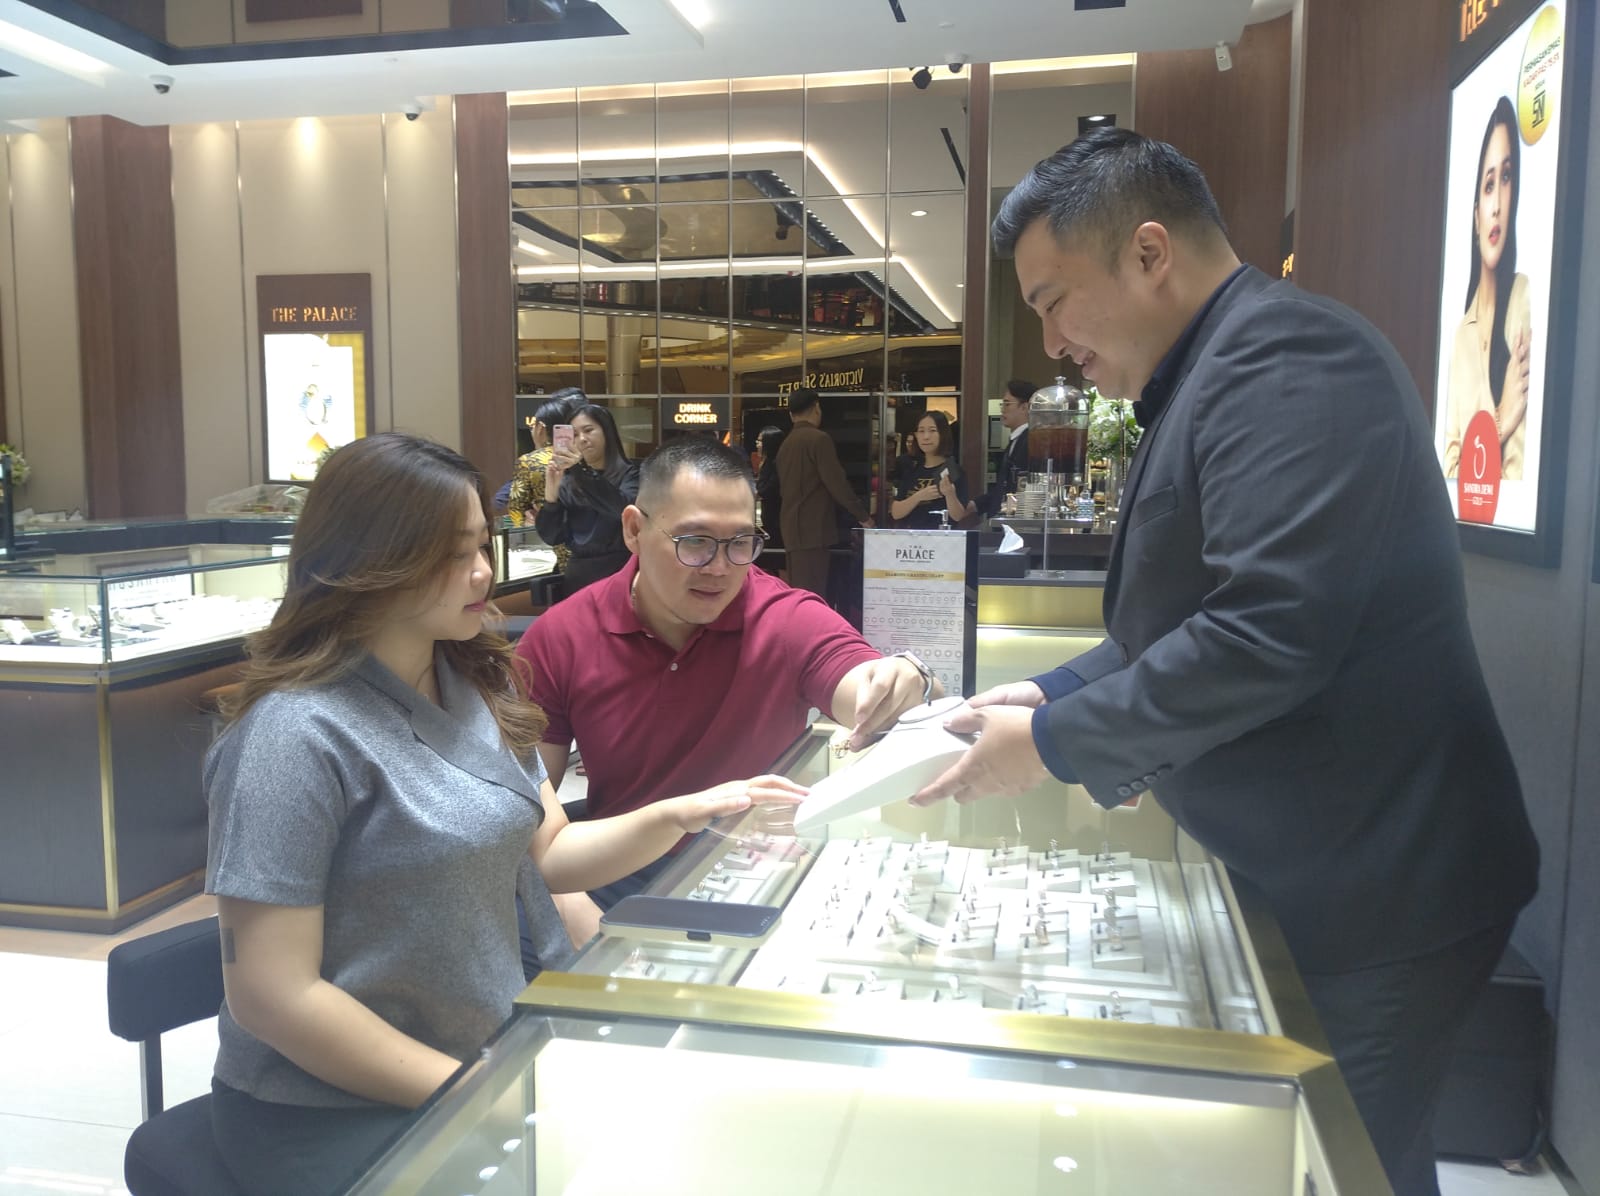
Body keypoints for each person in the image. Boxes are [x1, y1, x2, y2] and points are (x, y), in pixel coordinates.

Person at [912, 128, 1538, 1196]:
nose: (1051, 342)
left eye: (1056, 301)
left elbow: (1267, 630)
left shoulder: (1284, 359)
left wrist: (1052, 743)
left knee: (1345, 1165)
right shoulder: (1205, 369)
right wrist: (1048, 691)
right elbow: (1168, 624)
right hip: (1334, 865)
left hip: (1386, 885)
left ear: (1149, 252)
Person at [203, 432, 767, 1195]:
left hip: (480, 1056)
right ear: (369, 561)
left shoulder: (470, 681)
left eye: (481, 545)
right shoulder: (294, 734)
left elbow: (551, 852)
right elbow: (274, 997)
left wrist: (682, 814)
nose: (480, 573)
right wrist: (484, 1092)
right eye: (450, 554)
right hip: (326, 1106)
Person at [515, 436, 937, 948]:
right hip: (617, 867)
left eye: (740, 542)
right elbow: (523, 813)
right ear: (634, 530)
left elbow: (863, 682)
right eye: (695, 541)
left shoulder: (783, 616)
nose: (719, 567)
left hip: (753, 866)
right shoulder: (560, 636)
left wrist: (905, 680)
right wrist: (568, 899)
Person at [1443, 96, 1532, 481]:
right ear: (1476, 216)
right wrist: (1498, 424)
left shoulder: (1524, 300)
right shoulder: (1461, 336)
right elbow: (1448, 474)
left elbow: (1517, 474)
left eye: (1506, 178)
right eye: (1489, 184)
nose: (1496, 205)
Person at [775, 387, 872, 598]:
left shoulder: (786, 444)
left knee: (799, 592)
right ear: (816, 408)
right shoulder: (818, 439)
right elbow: (837, 483)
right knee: (813, 595)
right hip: (813, 530)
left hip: (792, 530)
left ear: (791, 414)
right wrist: (863, 516)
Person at [537, 402, 640, 595]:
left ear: (607, 432)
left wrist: (580, 469)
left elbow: (620, 508)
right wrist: (551, 497)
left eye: (588, 430)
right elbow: (552, 537)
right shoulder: (568, 481)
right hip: (578, 576)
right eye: (575, 434)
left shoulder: (631, 474)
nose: (582, 439)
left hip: (621, 571)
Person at [505, 387, 584, 531]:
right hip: (583, 532)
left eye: (533, 426)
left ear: (540, 428)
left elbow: (516, 509)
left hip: (546, 533)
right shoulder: (583, 456)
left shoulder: (529, 462)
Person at [890, 410, 973, 528]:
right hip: (913, 536)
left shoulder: (954, 471)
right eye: (921, 431)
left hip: (941, 536)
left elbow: (957, 516)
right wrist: (919, 496)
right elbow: (896, 513)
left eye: (932, 430)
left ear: (943, 434)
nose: (926, 437)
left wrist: (950, 494)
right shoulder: (911, 470)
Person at [975, 378, 1034, 517]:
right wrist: (975, 505)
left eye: (1007, 404)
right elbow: (1002, 487)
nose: (1002, 409)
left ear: (1025, 407)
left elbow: (1016, 487)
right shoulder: (1015, 440)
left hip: (1017, 518)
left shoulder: (1031, 441)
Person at [754, 424, 785, 550]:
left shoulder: (778, 463)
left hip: (777, 516)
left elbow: (769, 488)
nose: (757, 444)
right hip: (769, 514)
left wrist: (757, 493)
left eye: (760, 440)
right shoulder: (766, 462)